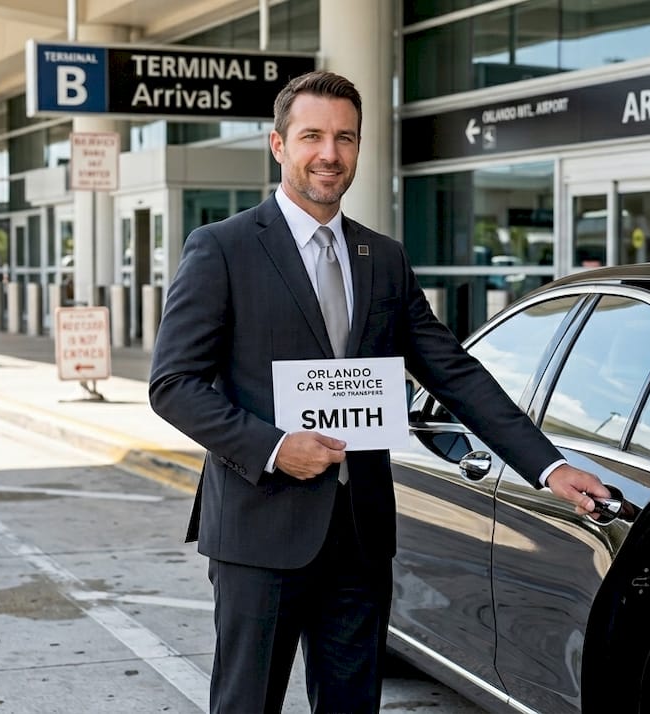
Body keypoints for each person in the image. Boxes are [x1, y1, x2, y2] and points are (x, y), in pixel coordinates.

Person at [148, 71, 610, 714]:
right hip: (260, 529)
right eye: (312, 136)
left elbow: (453, 372)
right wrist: (275, 447)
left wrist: (549, 466)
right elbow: (173, 385)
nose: (329, 153)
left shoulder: (383, 257)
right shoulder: (222, 248)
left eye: (345, 137)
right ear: (279, 145)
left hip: (359, 534)